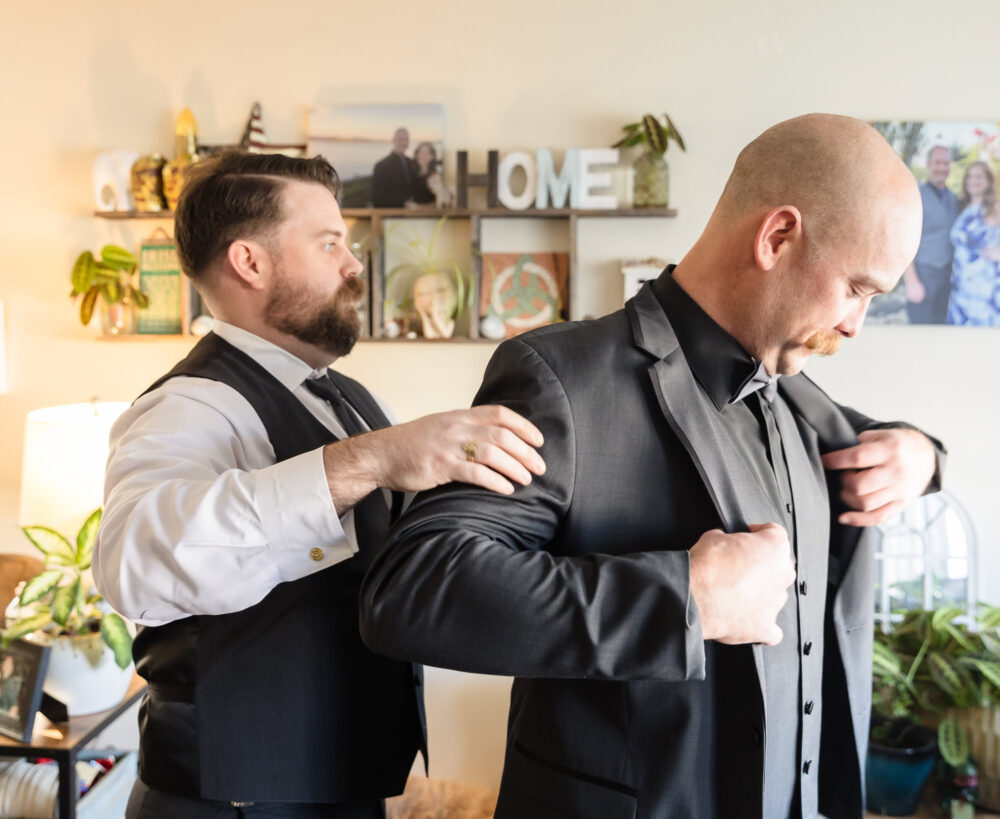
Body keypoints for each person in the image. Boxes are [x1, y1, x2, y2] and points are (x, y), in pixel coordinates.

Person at [360, 114, 946, 819]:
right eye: (856, 289)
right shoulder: (562, 379)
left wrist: (923, 455)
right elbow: (415, 588)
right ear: (778, 237)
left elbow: (885, 443)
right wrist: (685, 598)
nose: (854, 324)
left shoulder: (795, 389)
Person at [94, 150, 546, 819]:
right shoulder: (190, 405)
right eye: (330, 242)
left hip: (338, 786)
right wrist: (364, 462)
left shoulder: (349, 398)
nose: (354, 265)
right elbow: (130, 562)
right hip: (232, 803)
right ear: (250, 261)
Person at [947, 159, 1000, 326]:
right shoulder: (964, 207)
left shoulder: (996, 208)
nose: (972, 181)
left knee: (982, 336)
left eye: (978, 177)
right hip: (960, 285)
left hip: (984, 284)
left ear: (989, 181)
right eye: (969, 177)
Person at [903, 145, 958, 324]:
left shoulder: (953, 198)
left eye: (946, 163)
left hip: (946, 276)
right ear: (928, 164)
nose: (942, 168)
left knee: (940, 326)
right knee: (920, 328)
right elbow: (904, 241)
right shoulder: (915, 195)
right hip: (923, 274)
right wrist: (912, 282)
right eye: (937, 163)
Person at [370, 128, 413, 207]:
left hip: (412, 213)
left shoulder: (411, 162)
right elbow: (377, 199)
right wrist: (403, 204)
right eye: (400, 139)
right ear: (393, 140)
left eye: (406, 139)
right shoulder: (381, 166)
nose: (403, 142)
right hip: (392, 215)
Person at [411, 271, 457, 338]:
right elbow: (429, 336)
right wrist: (422, 313)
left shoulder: (450, 322)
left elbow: (446, 335)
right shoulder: (427, 321)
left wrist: (434, 314)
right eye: (422, 294)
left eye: (440, 291)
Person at [407, 142, 451, 208]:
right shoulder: (413, 174)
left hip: (428, 216)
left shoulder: (435, 177)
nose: (421, 155)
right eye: (420, 152)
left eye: (425, 153)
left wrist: (418, 207)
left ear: (432, 157)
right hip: (412, 215)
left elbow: (440, 204)